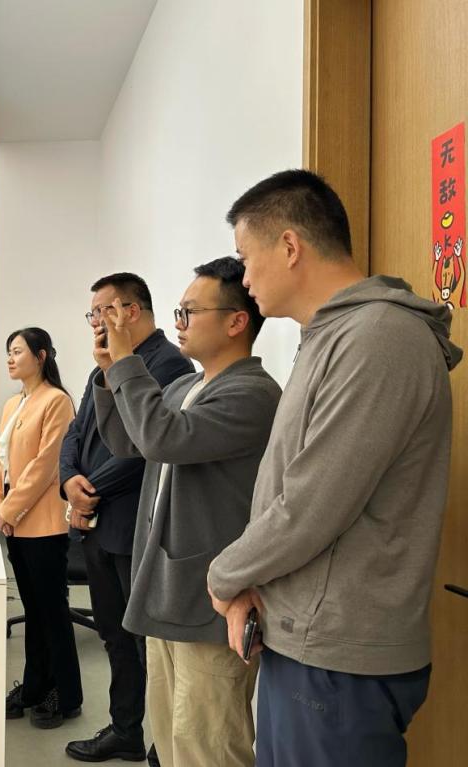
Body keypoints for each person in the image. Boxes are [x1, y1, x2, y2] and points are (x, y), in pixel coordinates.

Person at [206, 170, 462, 767]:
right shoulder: (331, 335)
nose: (244, 278)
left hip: (338, 658)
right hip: (307, 641)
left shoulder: (379, 337)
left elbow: (312, 505)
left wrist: (224, 576)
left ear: (289, 246)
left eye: (245, 258)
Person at [93, 257, 280, 767]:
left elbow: (163, 437)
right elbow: (130, 443)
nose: (178, 322)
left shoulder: (253, 394)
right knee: (171, 741)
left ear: (236, 321)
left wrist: (127, 361)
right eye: (179, 311)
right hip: (167, 590)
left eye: (189, 311)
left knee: (209, 747)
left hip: (211, 602)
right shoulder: (183, 386)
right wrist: (111, 371)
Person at [61, 273, 193, 763]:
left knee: (144, 643)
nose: (96, 321)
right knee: (113, 635)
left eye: (103, 311)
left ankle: (162, 743)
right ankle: (125, 730)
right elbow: (77, 431)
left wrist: (88, 493)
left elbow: (145, 447)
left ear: (131, 311)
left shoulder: (169, 363)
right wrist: (68, 479)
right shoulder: (105, 362)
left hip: (132, 522)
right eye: (93, 313)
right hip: (97, 522)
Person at [0, 327, 81, 729]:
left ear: (41, 356)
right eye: (8, 352)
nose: (10, 359)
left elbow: (45, 467)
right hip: (15, 522)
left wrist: (8, 510)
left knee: (52, 612)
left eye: (17, 351)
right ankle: (33, 687)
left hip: (44, 525)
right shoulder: (13, 404)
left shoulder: (57, 401)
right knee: (33, 610)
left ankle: (65, 693)